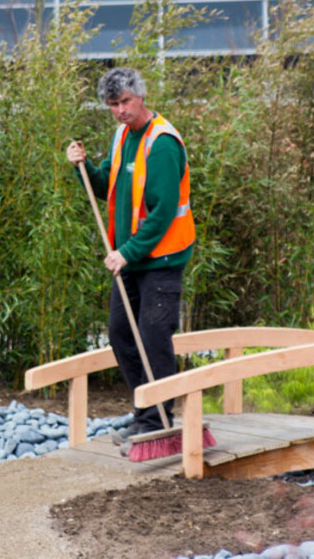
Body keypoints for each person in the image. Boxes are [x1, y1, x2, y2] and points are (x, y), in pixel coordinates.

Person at [65, 67, 195, 440]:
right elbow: (107, 185)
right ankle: (146, 411)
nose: (120, 110)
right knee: (121, 334)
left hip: (162, 258)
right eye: (112, 105)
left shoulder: (163, 143)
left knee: (154, 336)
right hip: (131, 259)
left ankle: (158, 421)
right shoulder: (123, 135)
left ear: (140, 96)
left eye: (124, 101)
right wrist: (84, 166)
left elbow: (164, 211)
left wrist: (128, 252)